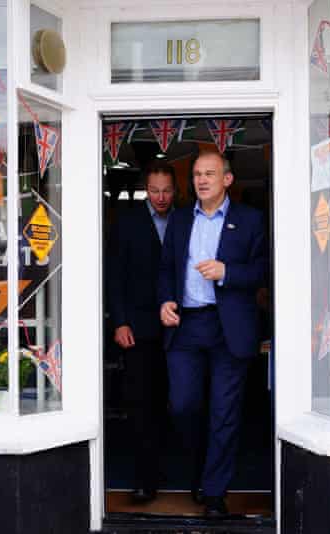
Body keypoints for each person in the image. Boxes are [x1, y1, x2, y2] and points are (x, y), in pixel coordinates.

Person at [158, 151, 269, 517]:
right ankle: (199, 471)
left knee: (224, 412)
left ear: (227, 180)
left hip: (229, 329)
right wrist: (165, 300)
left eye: (209, 174)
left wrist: (227, 272)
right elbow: (166, 269)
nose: (201, 180)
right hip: (186, 326)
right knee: (184, 405)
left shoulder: (250, 220)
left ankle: (215, 491)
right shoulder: (178, 220)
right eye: (196, 175)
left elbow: (262, 272)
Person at [107, 162, 176, 503]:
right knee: (141, 406)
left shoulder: (186, 219)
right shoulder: (127, 222)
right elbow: (114, 275)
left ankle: (179, 473)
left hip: (182, 328)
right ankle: (143, 479)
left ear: (175, 190)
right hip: (137, 328)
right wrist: (119, 321)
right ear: (145, 190)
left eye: (166, 190)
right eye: (154, 190)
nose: (160, 197)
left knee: (179, 403)